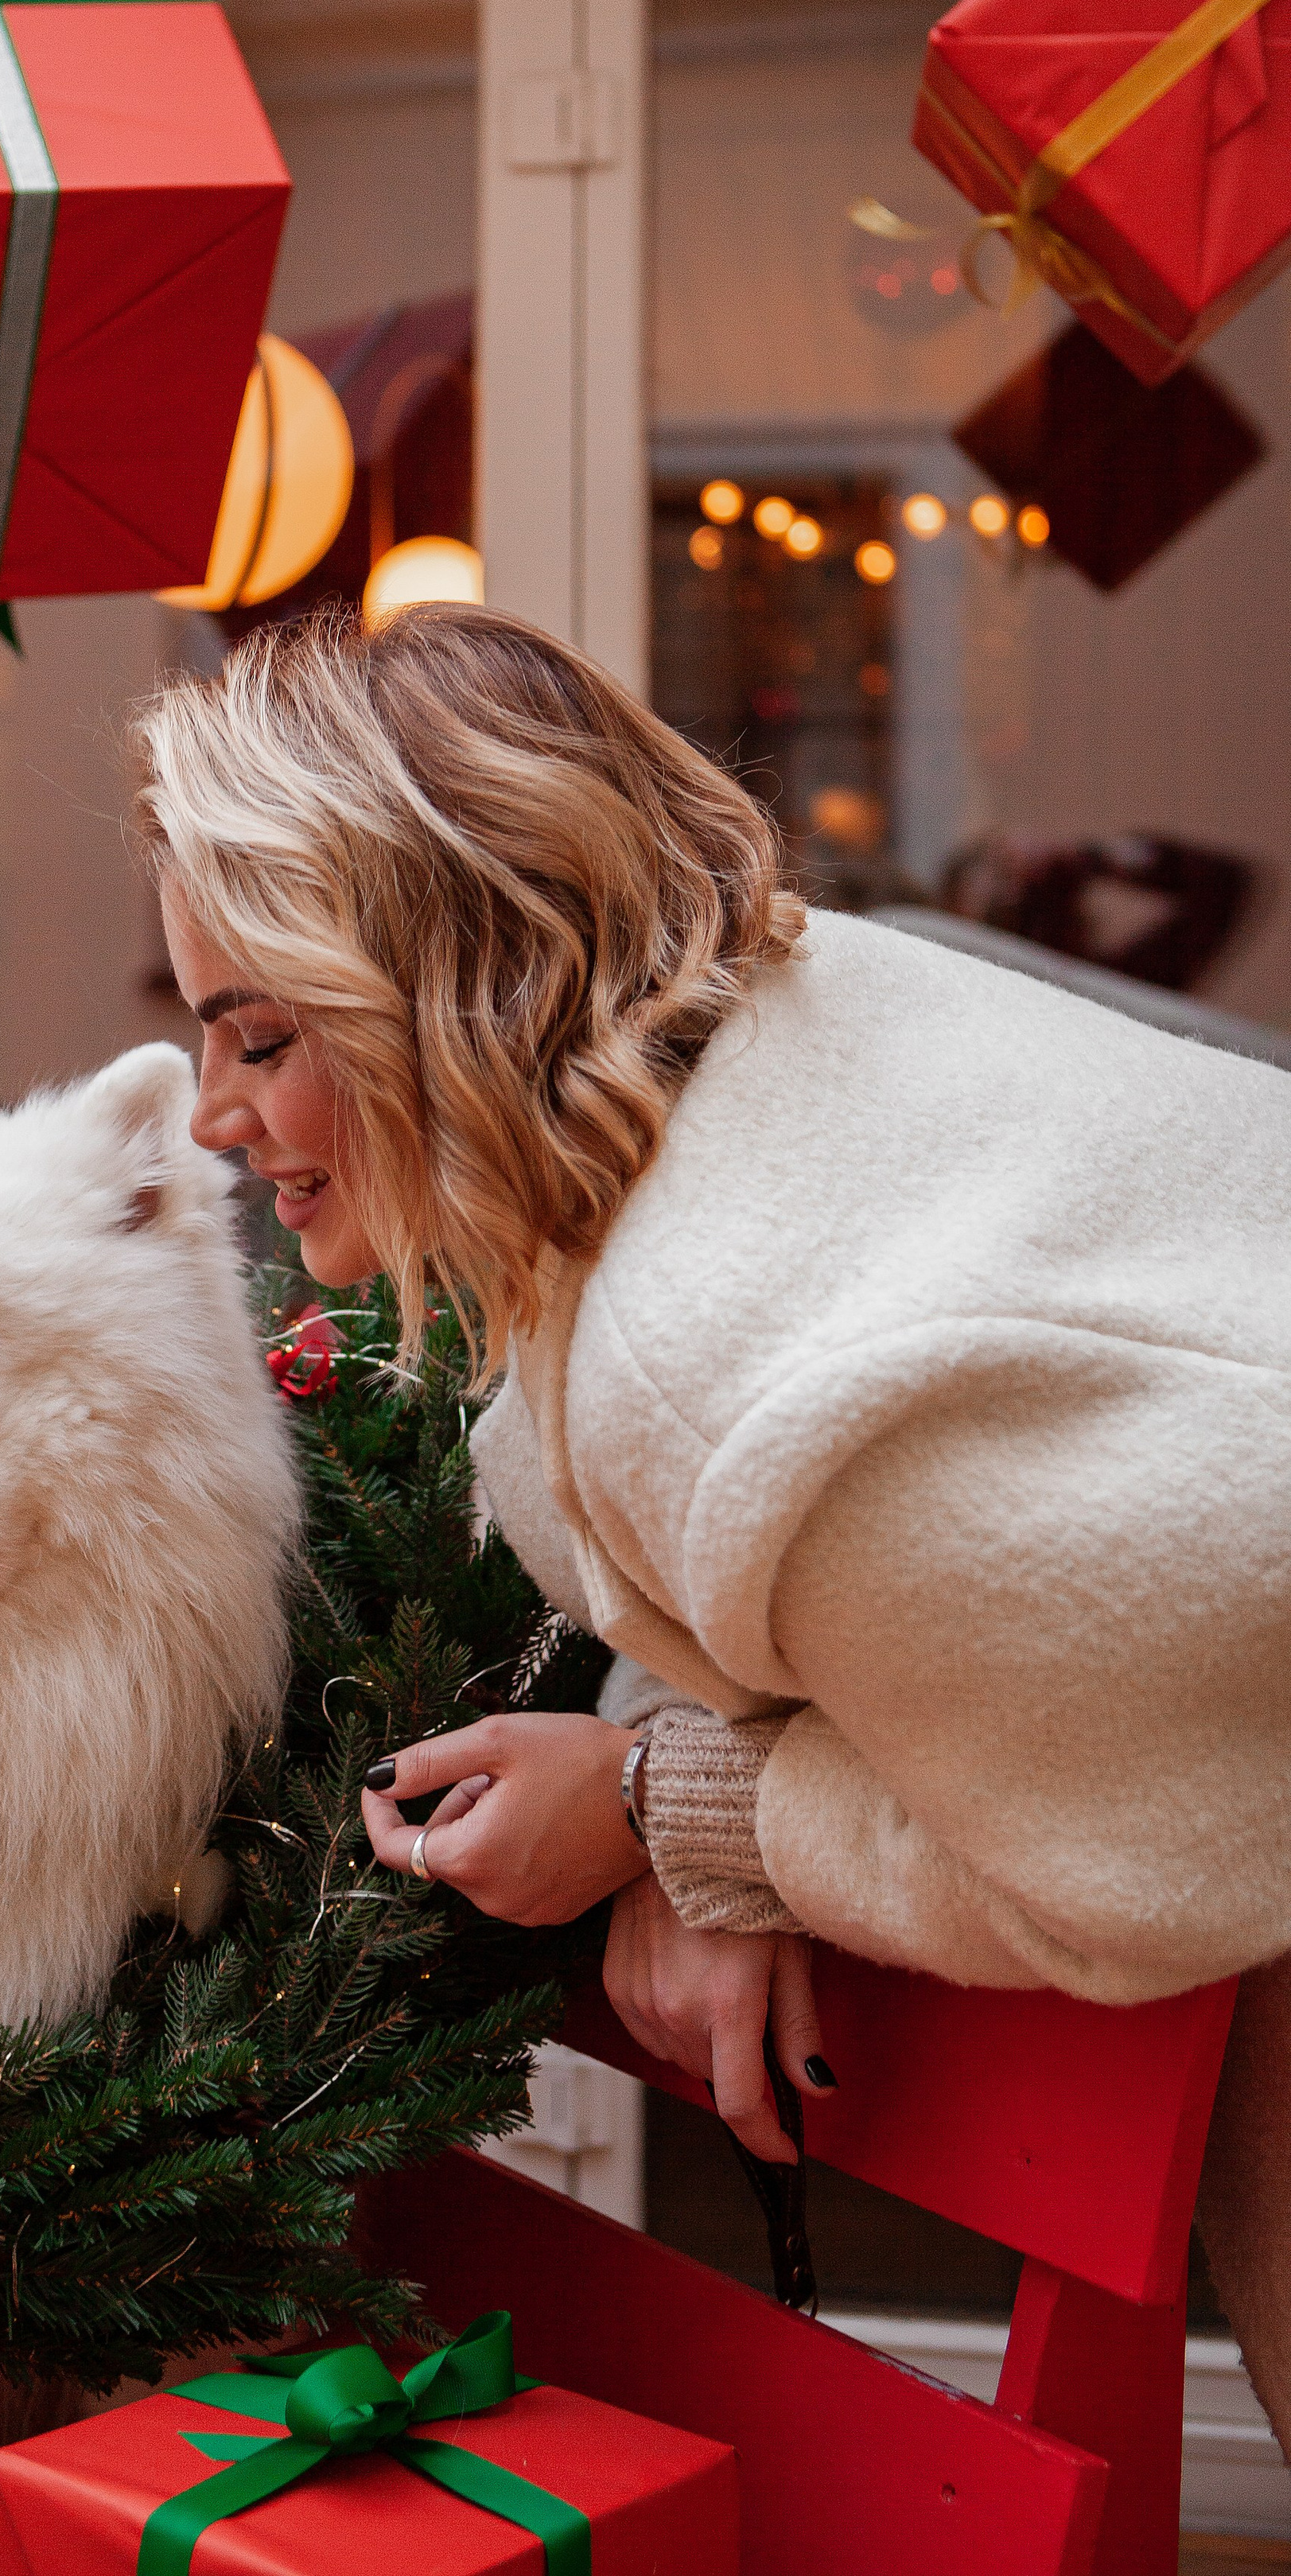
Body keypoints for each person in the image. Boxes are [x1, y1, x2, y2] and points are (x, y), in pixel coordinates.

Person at [131, 599, 1291, 2442]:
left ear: (445, 982)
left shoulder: (712, 1370)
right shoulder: (789, 1026)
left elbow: (1134, 1868)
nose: (209, 1114)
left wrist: (675, 1808)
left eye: (259, 1037)